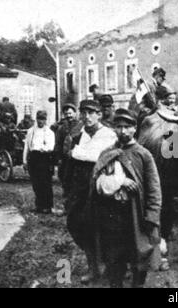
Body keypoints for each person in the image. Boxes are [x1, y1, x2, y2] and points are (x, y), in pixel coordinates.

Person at [88, 108, 162, 288]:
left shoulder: (143, 155)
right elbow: (95, 181)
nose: (122, 131)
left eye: (127, 127)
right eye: (118, 127)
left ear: (134, 129)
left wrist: (151, 217)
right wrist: (118, 181)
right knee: (114, 259)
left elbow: (154, 189)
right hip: (111, 216)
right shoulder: (106, 153)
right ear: (114, 129)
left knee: (140, 257)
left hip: (136, 215)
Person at [66, 99, 117, 285]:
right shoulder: (78, 135)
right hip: (81, 189)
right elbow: (68, 161)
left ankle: (114, 266)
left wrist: (77, 153)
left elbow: (101, 157)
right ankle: (93, 267)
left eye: (91, 113)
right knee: (80, 225)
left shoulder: (109, 135)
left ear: (99, 114)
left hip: (102, 189)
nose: (87, 117)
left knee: (106, 228)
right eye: (84, 113)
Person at [23, 111, 55, 214]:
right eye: (39, 119)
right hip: (33, 158)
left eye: (43, 119)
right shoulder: (31, 131)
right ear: (36, 119)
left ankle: (47, 206)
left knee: (45, 182)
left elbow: (51, 146)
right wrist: (24, 160)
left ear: (46, 120)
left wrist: (44, 149)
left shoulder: (49, 132)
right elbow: (27, 146)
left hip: (44, 158)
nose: (41, 121)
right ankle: (39, 206)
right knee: (36, 183)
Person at [54, 103, 80, 206]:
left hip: (76, 157)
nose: (68, 115)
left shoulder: (80, 125)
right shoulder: (61, 128)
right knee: (64, 177)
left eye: (70, 113)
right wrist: (58, 158)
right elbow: (58, 143)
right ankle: (67, 198)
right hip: (65, 158)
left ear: (75, 113)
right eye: (66, 113)